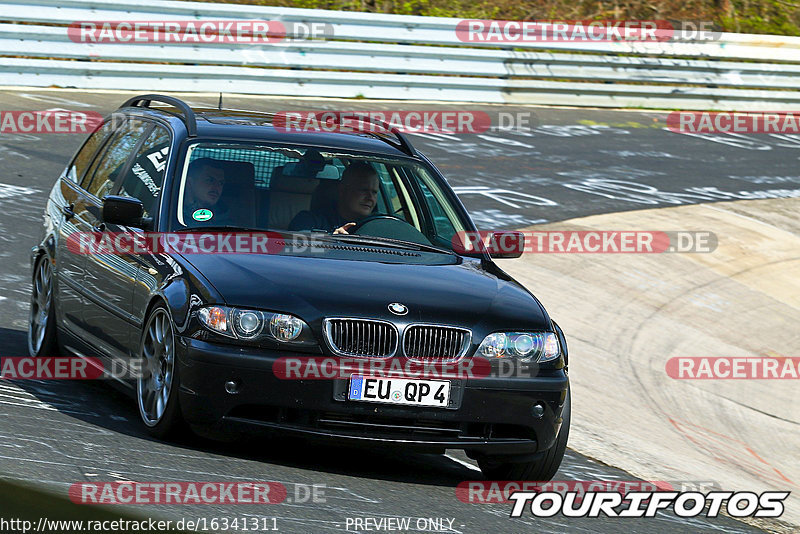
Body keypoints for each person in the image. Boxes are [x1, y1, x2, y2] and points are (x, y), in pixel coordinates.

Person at [289, 161, 379, 234]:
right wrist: (331, 240)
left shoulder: (378, 225)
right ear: (343, 190)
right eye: (363, 190)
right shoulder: (309, 221)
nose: (370, 198)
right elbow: (296, 248)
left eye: (374, 192)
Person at [182, 158, 230, 225]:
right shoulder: (169, 213)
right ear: (190, 183)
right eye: (210, 180)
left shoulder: (226, 222)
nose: (217, 187)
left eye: (221, 183)